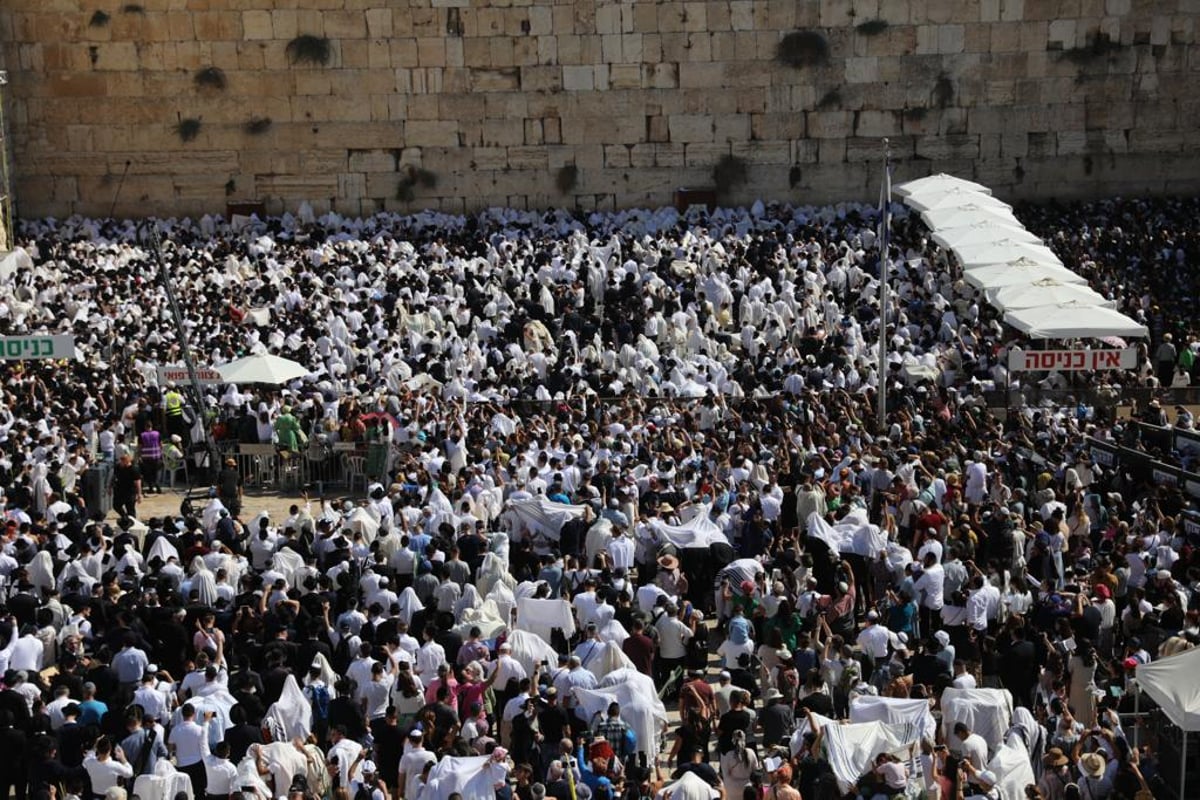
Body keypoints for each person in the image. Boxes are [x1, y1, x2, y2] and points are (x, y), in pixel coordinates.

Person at [109, 454, 142, 519]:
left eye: (123, 461)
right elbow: (114, 477)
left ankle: (132, 521)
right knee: (116, 505)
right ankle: (124, 516)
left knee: (130, 509)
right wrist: (110, 487)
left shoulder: (133, 469)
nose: (121, 462)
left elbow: (138, 482)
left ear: (127, 461)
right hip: (119, 490)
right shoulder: (118, 467)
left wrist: (139, 494)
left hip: (130, 492)